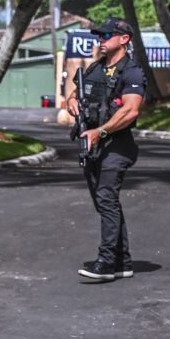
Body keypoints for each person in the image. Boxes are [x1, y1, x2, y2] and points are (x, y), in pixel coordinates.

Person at [67, 17, 147, 282]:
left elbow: (131, 110)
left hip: (116, 145)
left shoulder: (132, 71)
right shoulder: (96, 69)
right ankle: (122, 262)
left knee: (106, 198)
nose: (100, 39)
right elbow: (76, 94)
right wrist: (72, 102)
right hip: (91, 144)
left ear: (124, 39)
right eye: (99, 36)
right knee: (105, 203)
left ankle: (106, 262)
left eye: (106, 35)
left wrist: (100, 132)